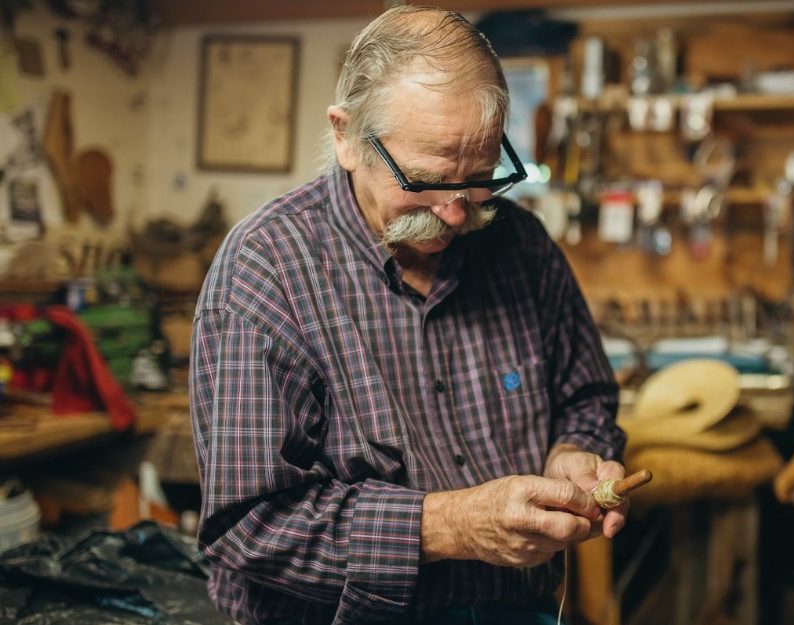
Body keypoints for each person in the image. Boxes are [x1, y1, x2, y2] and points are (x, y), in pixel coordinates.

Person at [189, 7, 627, 624]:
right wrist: (451, 525)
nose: (453, 214)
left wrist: (574, 451)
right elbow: (249, 522)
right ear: (345, 136)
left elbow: (586, 395)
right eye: (421, 181)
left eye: (478, 179)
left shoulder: (521, 246)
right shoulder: (268, 271)